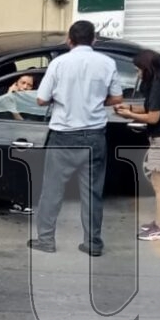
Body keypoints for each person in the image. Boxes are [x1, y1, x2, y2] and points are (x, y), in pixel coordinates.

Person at [29, 20, 126, 257]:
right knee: (92, 192)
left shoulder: (59, 64)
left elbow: (41, 100)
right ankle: (93, 243)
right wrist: (94, 102)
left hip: (63, 135)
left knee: (52, 190)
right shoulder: (107, 63)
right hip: (94, 136)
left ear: (69, 40)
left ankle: (46, 240)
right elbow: (117, 98)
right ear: (93, 40)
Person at [115, 49, 160, 241]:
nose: (138, 74)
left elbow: (153, 117)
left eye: (139, 70)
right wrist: (129, 108)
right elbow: (151, 108)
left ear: (148, 69)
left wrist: (130, 115)